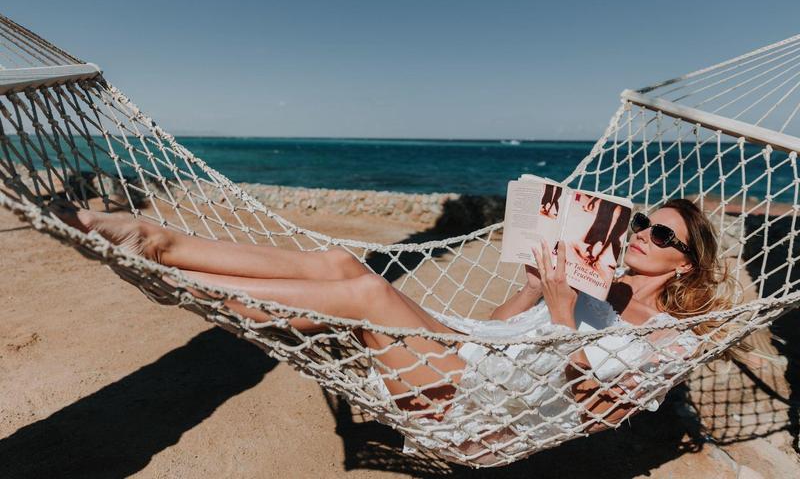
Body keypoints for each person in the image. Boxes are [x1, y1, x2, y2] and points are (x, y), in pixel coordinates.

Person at [52, 197, 730, 463]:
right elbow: (498, 330)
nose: (641, 234)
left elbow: (590, 408)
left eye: (660, 232)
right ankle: (161, 247)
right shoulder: (589, 288)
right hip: (467, 353)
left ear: (686, 261)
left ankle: (171, 267)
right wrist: (532, 290)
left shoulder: (673, 341)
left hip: (480, 407)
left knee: (364, 290)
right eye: (641, 222)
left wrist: (558, 311)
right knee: (344, 267)